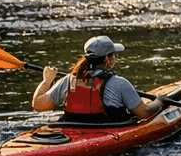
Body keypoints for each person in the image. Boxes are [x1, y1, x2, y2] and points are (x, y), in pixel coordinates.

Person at [31, 35, 170, 124]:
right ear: (107, 59)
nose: (115, 58)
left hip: (74, 131)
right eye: (114, 55)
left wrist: (46, 81)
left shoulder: (68, 80)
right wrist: (159, 101)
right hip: (109, 133)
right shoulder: (120, 83)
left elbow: (38, 105)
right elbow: (144, 113)